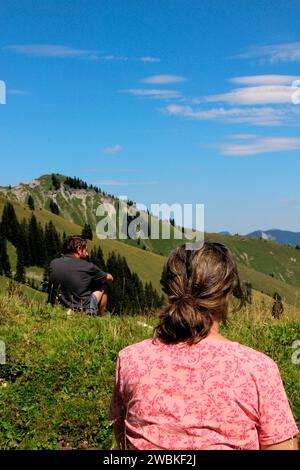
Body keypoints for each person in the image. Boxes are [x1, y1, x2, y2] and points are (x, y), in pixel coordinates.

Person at [109, 242, 299, 450]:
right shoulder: (258, 368)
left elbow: (122, 438)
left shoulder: (130, 359)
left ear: (169, 289)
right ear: (226, 294)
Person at [48, 235, 113, 315]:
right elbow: (110, 278)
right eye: (85, 250)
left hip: (56, 309)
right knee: (104, 285)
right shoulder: (88, 267)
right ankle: (99, 316)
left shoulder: (53, 263)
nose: (87, 254)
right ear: (79, 249)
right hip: (81, 311)